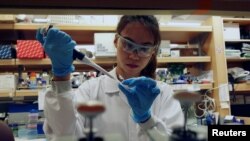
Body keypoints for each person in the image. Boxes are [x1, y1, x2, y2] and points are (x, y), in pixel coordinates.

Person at [36, 15, 184, 141]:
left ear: (153, 52)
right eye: (128, 44)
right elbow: (65, 137)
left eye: (144, 48)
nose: (134, 55)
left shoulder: (164, 94)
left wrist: (146, 120)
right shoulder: (90, 91)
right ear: (116, 41)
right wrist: (61, 77)